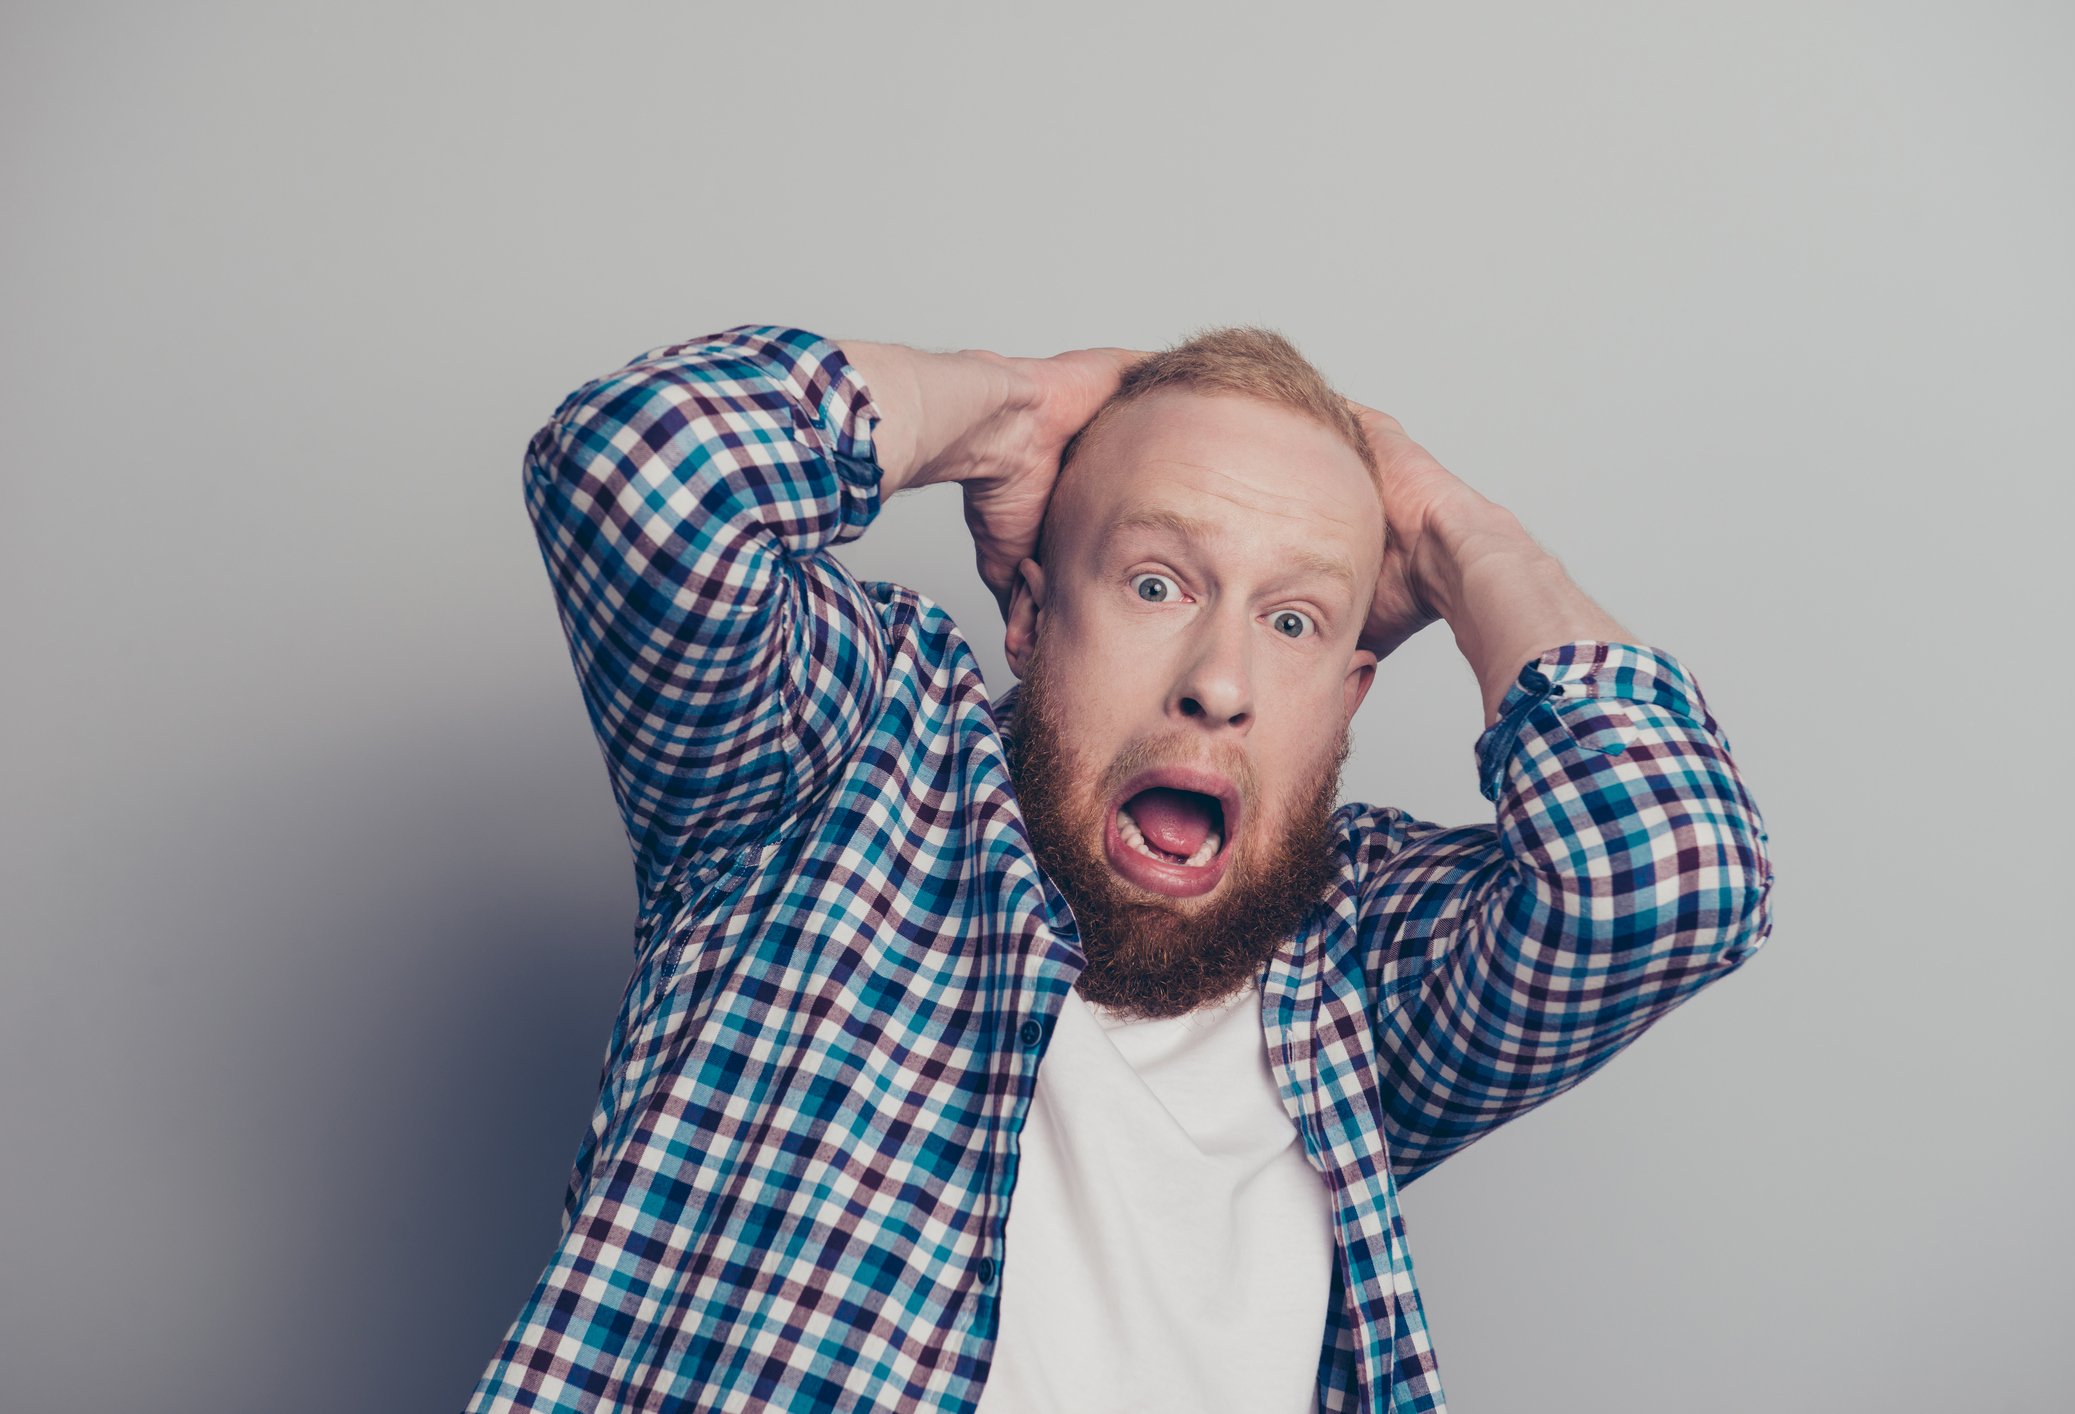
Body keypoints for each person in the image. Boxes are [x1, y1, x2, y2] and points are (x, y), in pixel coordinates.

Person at [464, 323, 1775, 1414]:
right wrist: (1010, 412)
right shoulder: (841, 776)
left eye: (1294, 620)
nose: (1218, 680)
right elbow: (632, 472)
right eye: (1158, 583)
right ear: (1031, 615)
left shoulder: (1366, 971)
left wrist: (1456, 537)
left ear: (1349, 698)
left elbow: (1674, 879)